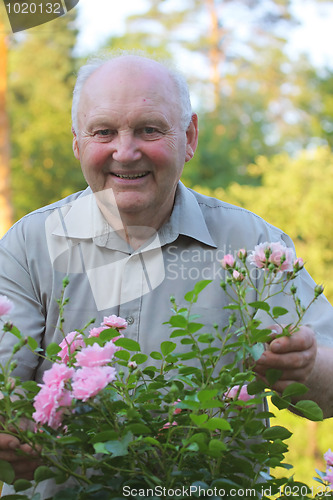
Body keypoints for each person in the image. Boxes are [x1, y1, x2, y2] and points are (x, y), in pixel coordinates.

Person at [1, 52, 333, 496]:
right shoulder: (29, 243)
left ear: (190, 136)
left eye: (149, 129)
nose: (126, 151)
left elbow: (326, 396)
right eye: (104, 131)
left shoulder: (255, 244)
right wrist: (15, 433)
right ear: (77, 142)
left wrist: (307, 367)